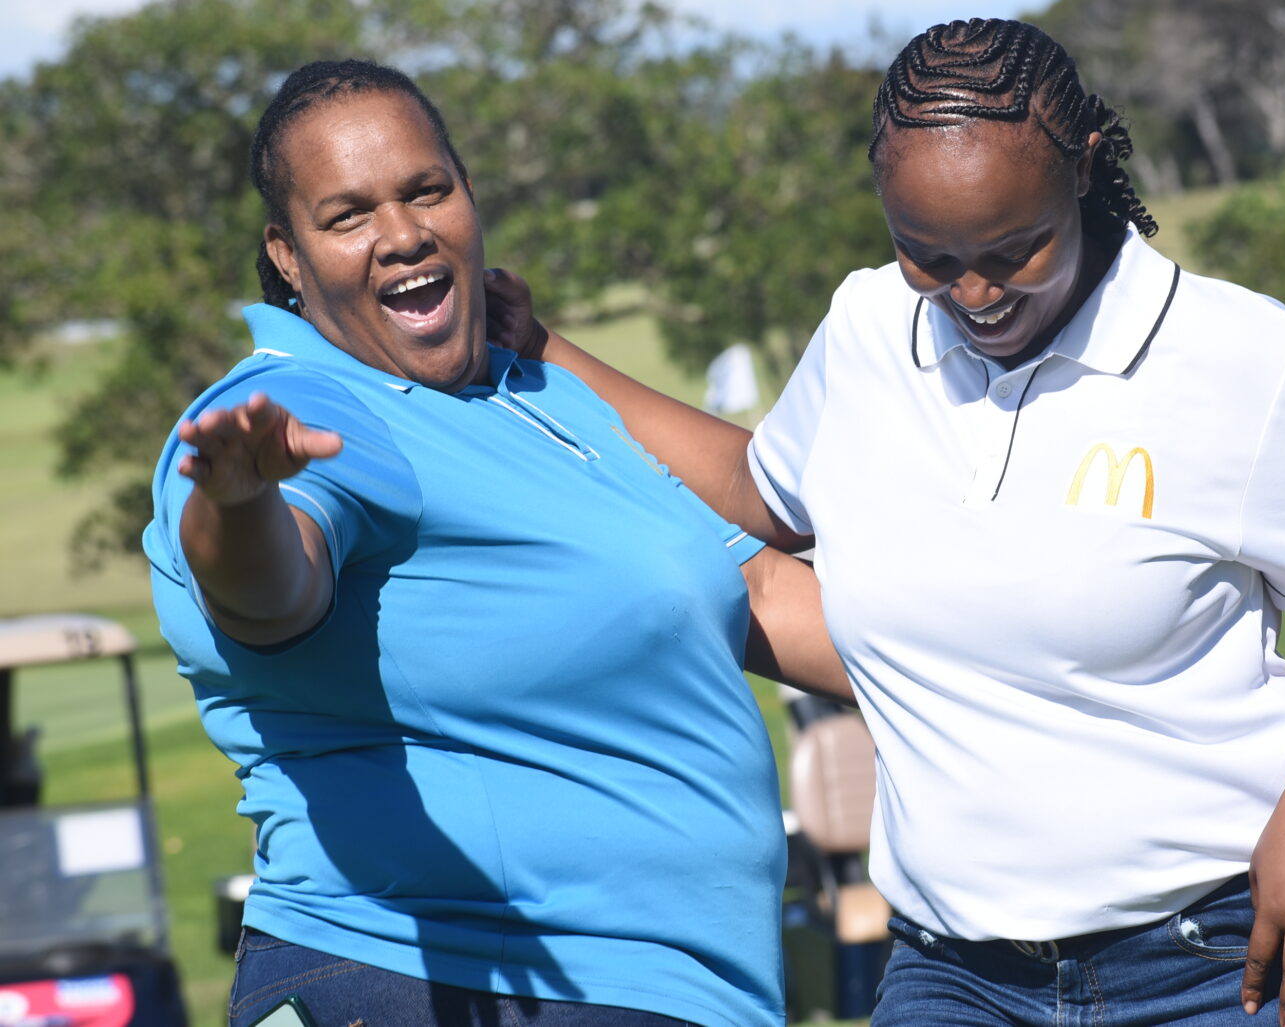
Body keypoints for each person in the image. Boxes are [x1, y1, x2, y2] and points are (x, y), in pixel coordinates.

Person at [513, 17, 1285, 1027]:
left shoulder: (1245, 365)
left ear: (1084, 169)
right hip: (952, 971)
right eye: (929, 255)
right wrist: (545, 350)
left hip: (1227, 951)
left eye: (1013, 248)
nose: (975, 293)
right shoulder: (869, 331)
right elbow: (758, 492)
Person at [142, 59, 849, 1027]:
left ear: (470, 196)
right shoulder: (313, 405)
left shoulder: (543, 397)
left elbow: (768, 592)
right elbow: (271, 591)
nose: (400, 234)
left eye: (427, 189)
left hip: (666, 994)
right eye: (347, 215)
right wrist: (238, 499)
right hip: (439, 978)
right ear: (289, 255)